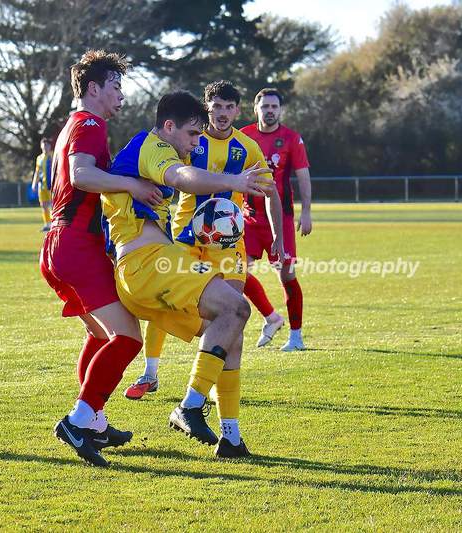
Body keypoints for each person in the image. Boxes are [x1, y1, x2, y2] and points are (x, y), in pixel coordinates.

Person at [103, 90, 274, 458]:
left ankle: (231, 438)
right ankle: (190, 405)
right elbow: (182, 176)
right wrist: (233, 182)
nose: (197, 142)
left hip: (143, 270)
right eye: (193, 134)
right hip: (150, 263)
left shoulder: (150, 150)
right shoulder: (155, 148)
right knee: (237, 308)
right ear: (169, 126)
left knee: (230, 330)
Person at [40, 50, 164, 467]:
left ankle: (94, 421)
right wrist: (132, 185)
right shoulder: (90, 123)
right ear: (93, 89)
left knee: (99, 335)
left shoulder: (72, 124)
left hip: (60, 245)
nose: (121, 96)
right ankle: (78, 420)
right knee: (128, 339)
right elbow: (81, 175)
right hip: (77, 245)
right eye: (116, 87)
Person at [123, 80, 284, 401]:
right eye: (217, 106)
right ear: (207, 108)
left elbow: (271, 191)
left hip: (228, 243)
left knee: (232, 311)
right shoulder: (186, 141)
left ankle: (208, 385)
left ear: (238, 111)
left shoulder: (247, 147)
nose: (222, 113)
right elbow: (168, 172)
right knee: (165, 300)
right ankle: (150, 373)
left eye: (229, 107)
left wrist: (278, 233)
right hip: (186, 235)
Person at [240, 88, 312, 351]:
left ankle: (296, 337)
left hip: (280, 220)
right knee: (235, 272)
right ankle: (272, 317)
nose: (270, 111)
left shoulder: (292, 139)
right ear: (256, 109)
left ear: (280, 110)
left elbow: (303, 176)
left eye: (274, 107)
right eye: (265, 106)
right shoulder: (243, 136)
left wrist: (306, 211)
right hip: (248, 219)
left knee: (287, 274)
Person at [31, 138, 53, 231]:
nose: (45, 147)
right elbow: (37, 172)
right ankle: (47, 224)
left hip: (51, 185)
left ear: (50, 146)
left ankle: (54, 224)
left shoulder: (53, 156)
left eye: (47, 145)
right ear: (41, 146)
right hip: (42, 185)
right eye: (44, 146)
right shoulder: (39, 158)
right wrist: (34, 183)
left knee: (52, 205)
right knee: (43, 205)